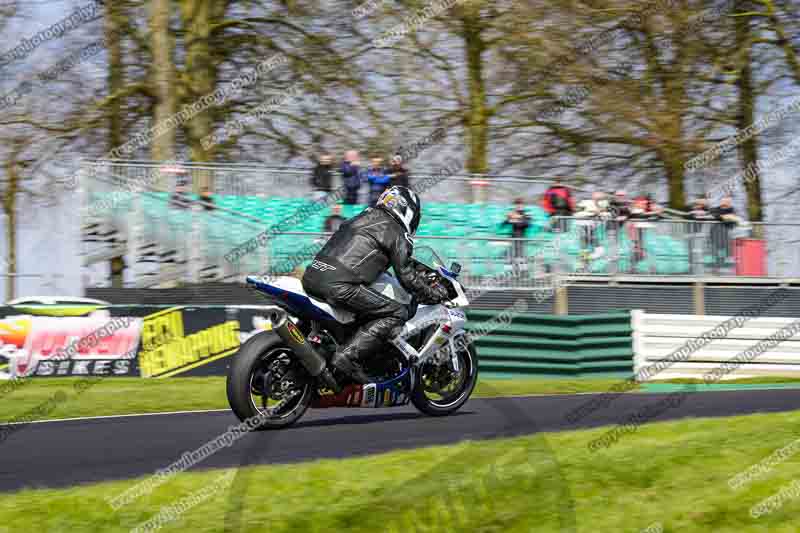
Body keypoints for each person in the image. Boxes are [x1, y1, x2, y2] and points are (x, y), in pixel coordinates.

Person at [302, 186, 449, 384]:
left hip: (312, 275)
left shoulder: (360, 216)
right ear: (407, 211)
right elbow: (406, 276)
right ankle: (347, 356)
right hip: (339, 286)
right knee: (397, 312)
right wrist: (434, 293)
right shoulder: (396, 230)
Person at [501, 198, 531, 273]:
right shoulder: (511, 215)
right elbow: (503, 224)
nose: (518, 207)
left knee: (521, 258)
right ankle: (509, 273)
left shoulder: (526, 215)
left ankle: (523, 273)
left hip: (521, 239)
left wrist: (515, 219)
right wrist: (510, 219)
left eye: (520, 205)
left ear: (523, 206)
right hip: (513, 239)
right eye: (517, 205)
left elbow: (525, 224)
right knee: (509, 257)